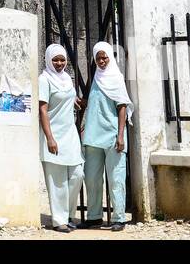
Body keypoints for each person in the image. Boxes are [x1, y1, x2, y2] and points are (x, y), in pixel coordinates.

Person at [80, 40, 132, 231]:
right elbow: (93, 103)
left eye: (104, 57)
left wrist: (120, 135)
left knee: (116, 178)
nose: (101, 61)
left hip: (112, 136)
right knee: (91, 178)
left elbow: (122, 107)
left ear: (110, 57)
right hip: (93, 136)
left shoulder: (116, 79)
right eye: (98, 58)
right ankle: (94, 217)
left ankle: (119, 217)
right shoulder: (95, 78)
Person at [38, 43, 84, 232]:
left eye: (62, 59)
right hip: (54, 134)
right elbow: (42, 110)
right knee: (57, 181)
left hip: (70, 134)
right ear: (49, 60)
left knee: (77, 175)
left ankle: (69, 215)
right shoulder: (44, 79)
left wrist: (75, 101)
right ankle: (59, 220)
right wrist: (49, 138)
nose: (59, 63)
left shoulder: (66, 79)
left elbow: (67, 97)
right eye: (55, 60)